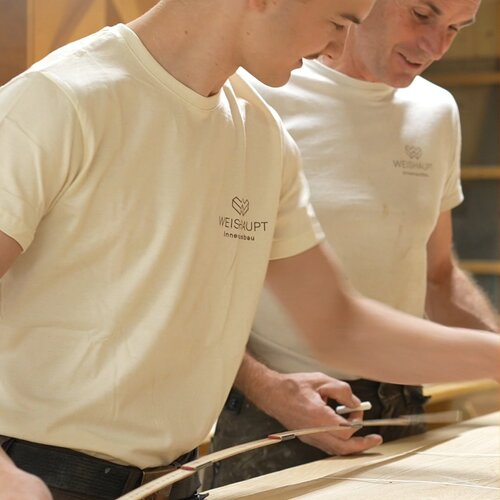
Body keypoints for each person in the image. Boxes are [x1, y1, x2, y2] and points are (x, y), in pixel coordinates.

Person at [0, 0, 498, 499]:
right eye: (338, 22)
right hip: (35, 475)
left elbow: (337, 325)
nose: (335, 48)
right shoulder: (58, 100)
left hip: (173, 479)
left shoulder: (261, 134)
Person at [207, 0, 500, 488]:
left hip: (403, 408)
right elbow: (196, 288)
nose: (435, 47)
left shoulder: (436, 111)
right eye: (423, 15)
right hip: (274, 413)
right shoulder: (257, 94)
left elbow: (438, 278)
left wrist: (493, 349)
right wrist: (268, 388)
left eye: (455, 29)